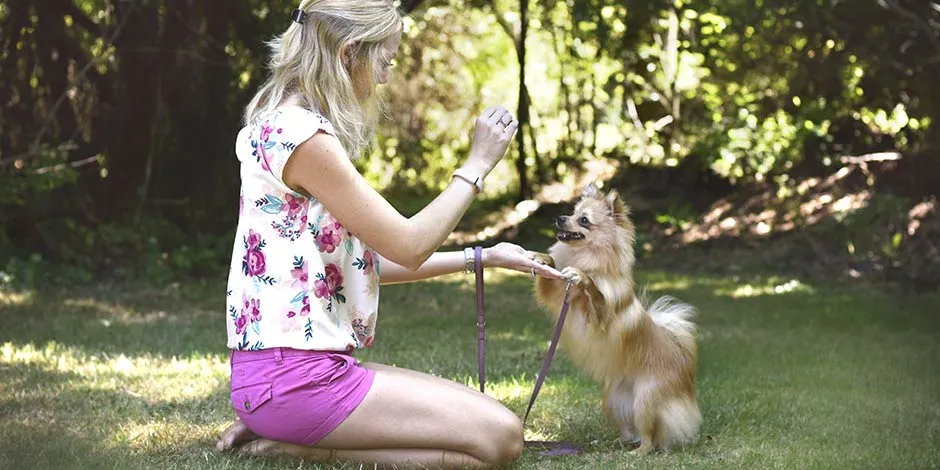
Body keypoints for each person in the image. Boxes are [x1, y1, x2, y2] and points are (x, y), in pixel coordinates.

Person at [214, 1, 563, 468]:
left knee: (489, 433)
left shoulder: (280, 122)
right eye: (385, 60)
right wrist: (476, 166)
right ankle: (297, 442)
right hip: (297, 378)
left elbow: (361, 264)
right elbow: (409, 244)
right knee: (501, 437)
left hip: (288, 373)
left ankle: (288, 429)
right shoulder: (302, 137)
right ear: (349, 54)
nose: (384, 77)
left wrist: (482, 257)